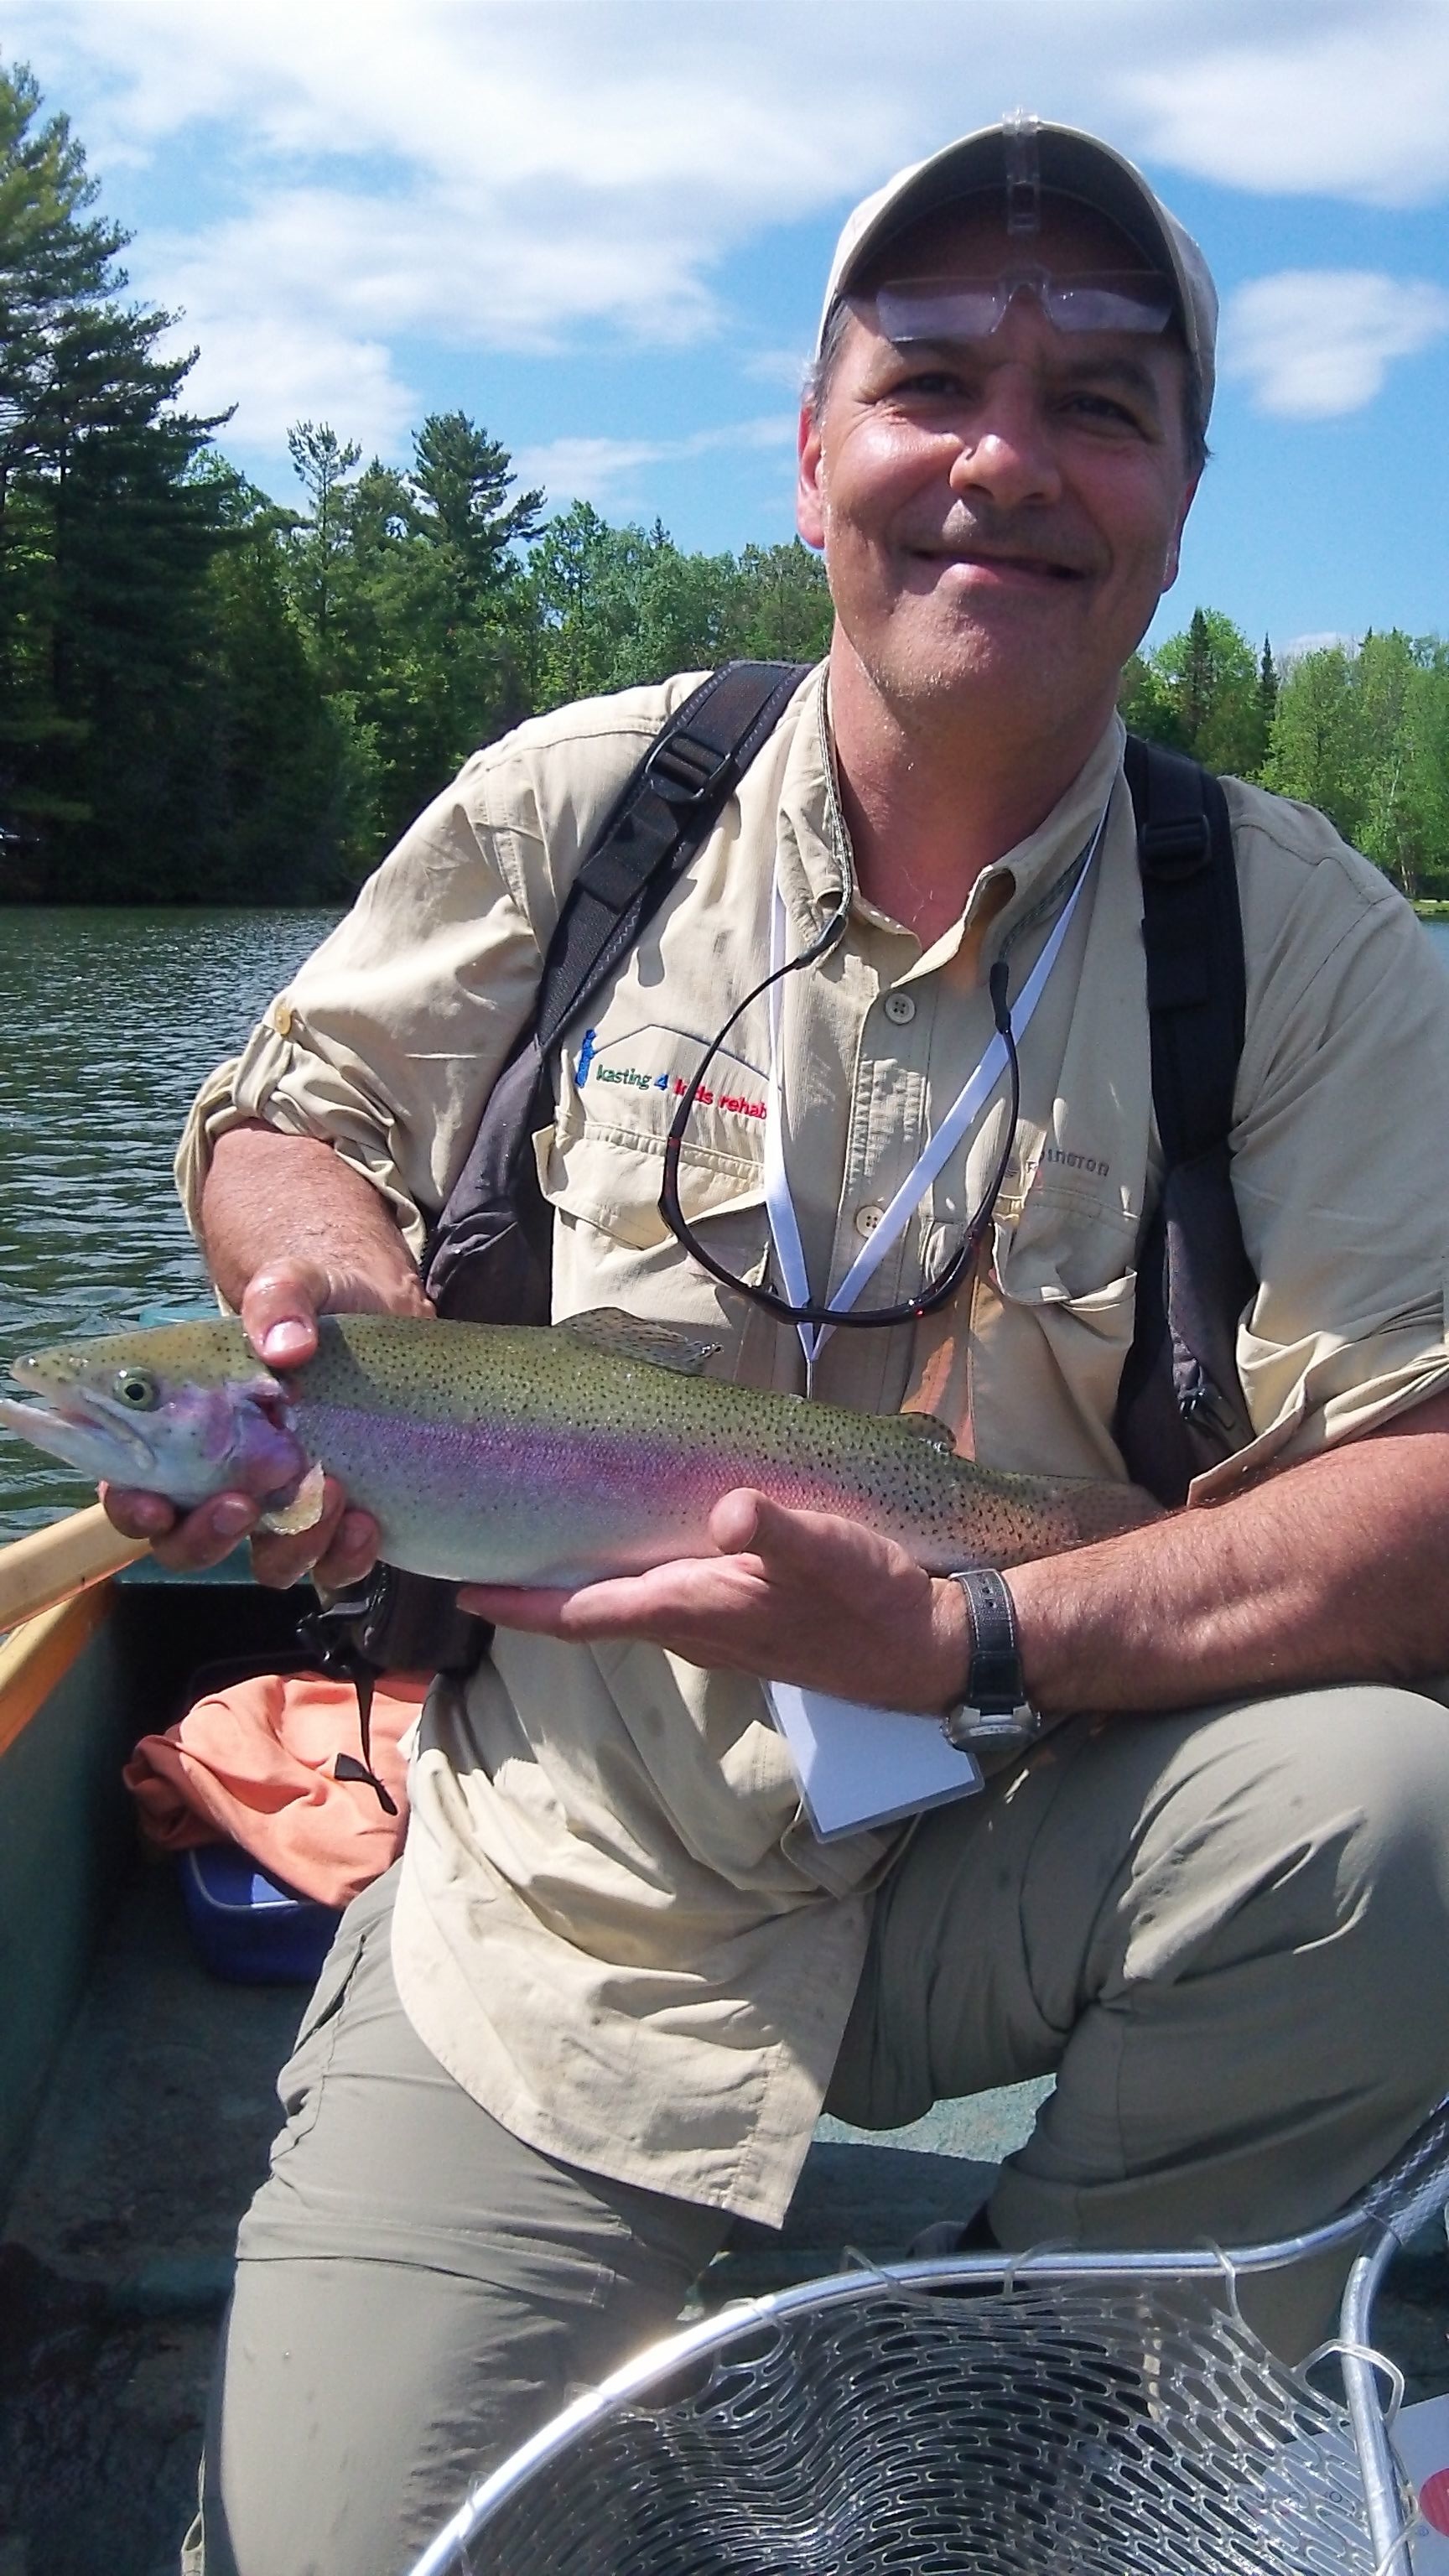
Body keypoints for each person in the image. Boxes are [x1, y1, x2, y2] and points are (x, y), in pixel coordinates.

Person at [107, 117, 1449, 2576]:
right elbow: (280, 1116)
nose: (1003, 462)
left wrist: (980, 1627)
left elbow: (1434, 1480)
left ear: (1179, 494)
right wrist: (321, 1297)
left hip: (1020, 1820)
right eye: (931, 378)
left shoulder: (1308, 944)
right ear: (816, 446)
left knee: (1397, 1811)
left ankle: (1053, 2383)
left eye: (1102, 403)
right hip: (569, 1891)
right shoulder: (589, 808)